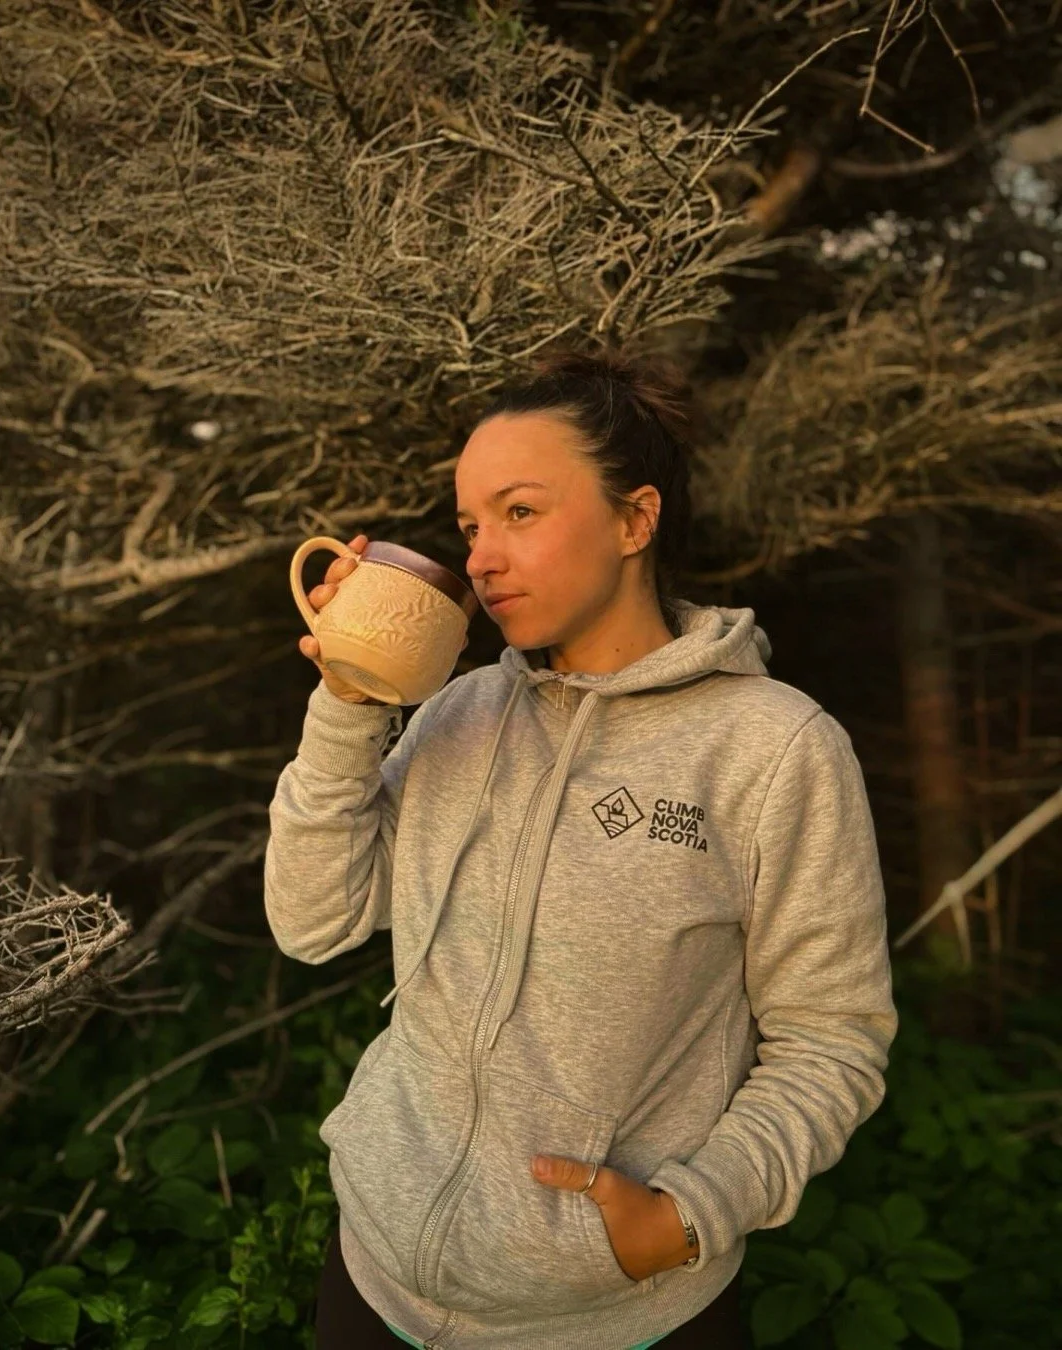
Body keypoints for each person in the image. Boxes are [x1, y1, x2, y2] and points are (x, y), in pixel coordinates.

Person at [264, 345, 899, 1350]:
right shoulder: (459, 712)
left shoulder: (774, 750)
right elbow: (312, 923)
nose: (481, 557)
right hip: (374, 1282)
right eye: (471, 526)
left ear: (635, 520)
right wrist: (348, 700)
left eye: (519, 512)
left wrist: (688, 1214)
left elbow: (832, 1040)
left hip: (615, 1316)